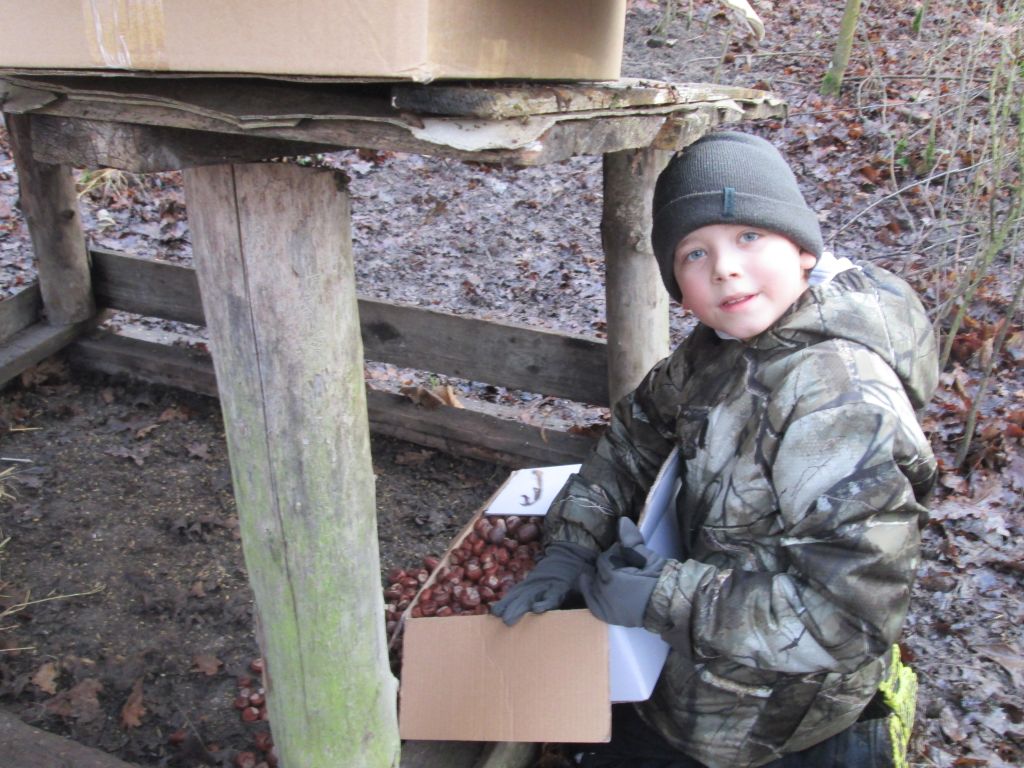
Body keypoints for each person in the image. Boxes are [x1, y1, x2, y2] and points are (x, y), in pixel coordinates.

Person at [491, 131, 937, 768]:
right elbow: (635, 437)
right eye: (694, 253)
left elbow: (848, 617)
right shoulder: (720, 348)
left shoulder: (838, 402)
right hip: (686, 681)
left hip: (781, 725)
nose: (724, 267)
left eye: (749, 236)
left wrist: (662, 598)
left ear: (803, 250)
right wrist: (571, 545)